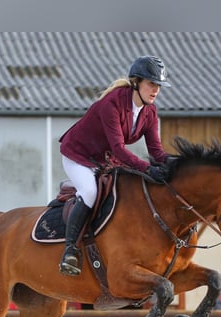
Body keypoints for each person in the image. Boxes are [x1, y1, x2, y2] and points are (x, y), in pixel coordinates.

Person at [57, 55, 172, 276]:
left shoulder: (150, 112)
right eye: (151, 84)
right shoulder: (112, 103)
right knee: (90, 192)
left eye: (158, 85)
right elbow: (119, 149)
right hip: (78, 156)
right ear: (136, 82)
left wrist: (176, 166)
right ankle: (70, 250)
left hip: (103, 160)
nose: (156, 90)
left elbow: (156, 152)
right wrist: (147, 169)